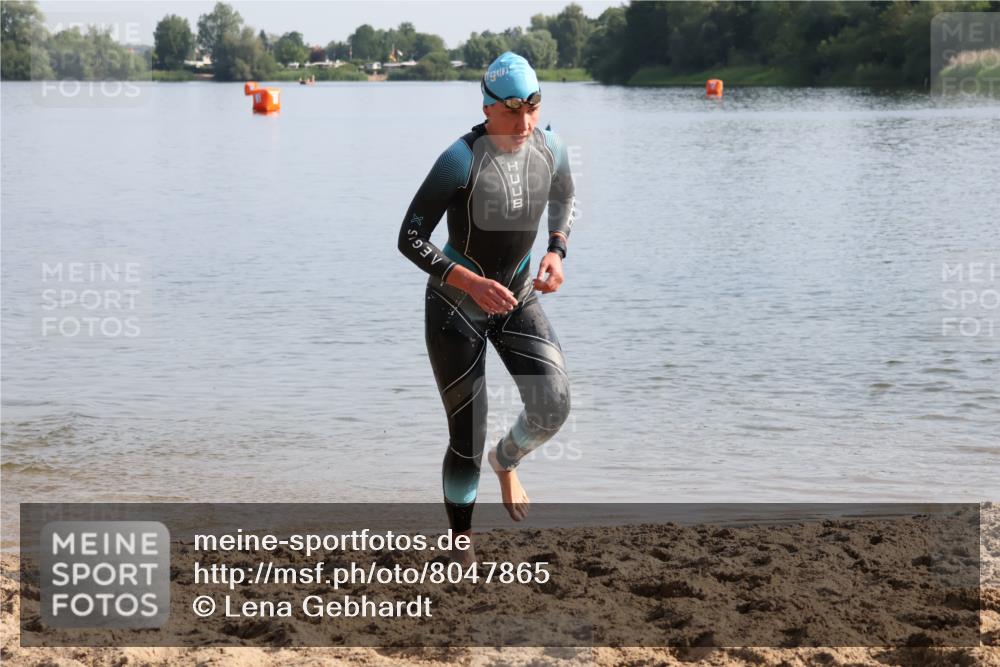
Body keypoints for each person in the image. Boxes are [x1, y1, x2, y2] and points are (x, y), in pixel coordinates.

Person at [397, 52, 577, 565]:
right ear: (487, 108)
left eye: (532, 109)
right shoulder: (459, 160)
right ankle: (461, 545)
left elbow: (564, 195)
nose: (524, 124)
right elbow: (410, 237)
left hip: (517, 294)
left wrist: (556, 250)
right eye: (512, 112)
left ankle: (507, 460)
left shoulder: (550, 147)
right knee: (467, 433)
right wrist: (470, 282)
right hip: (456, 304)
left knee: (554, 404)